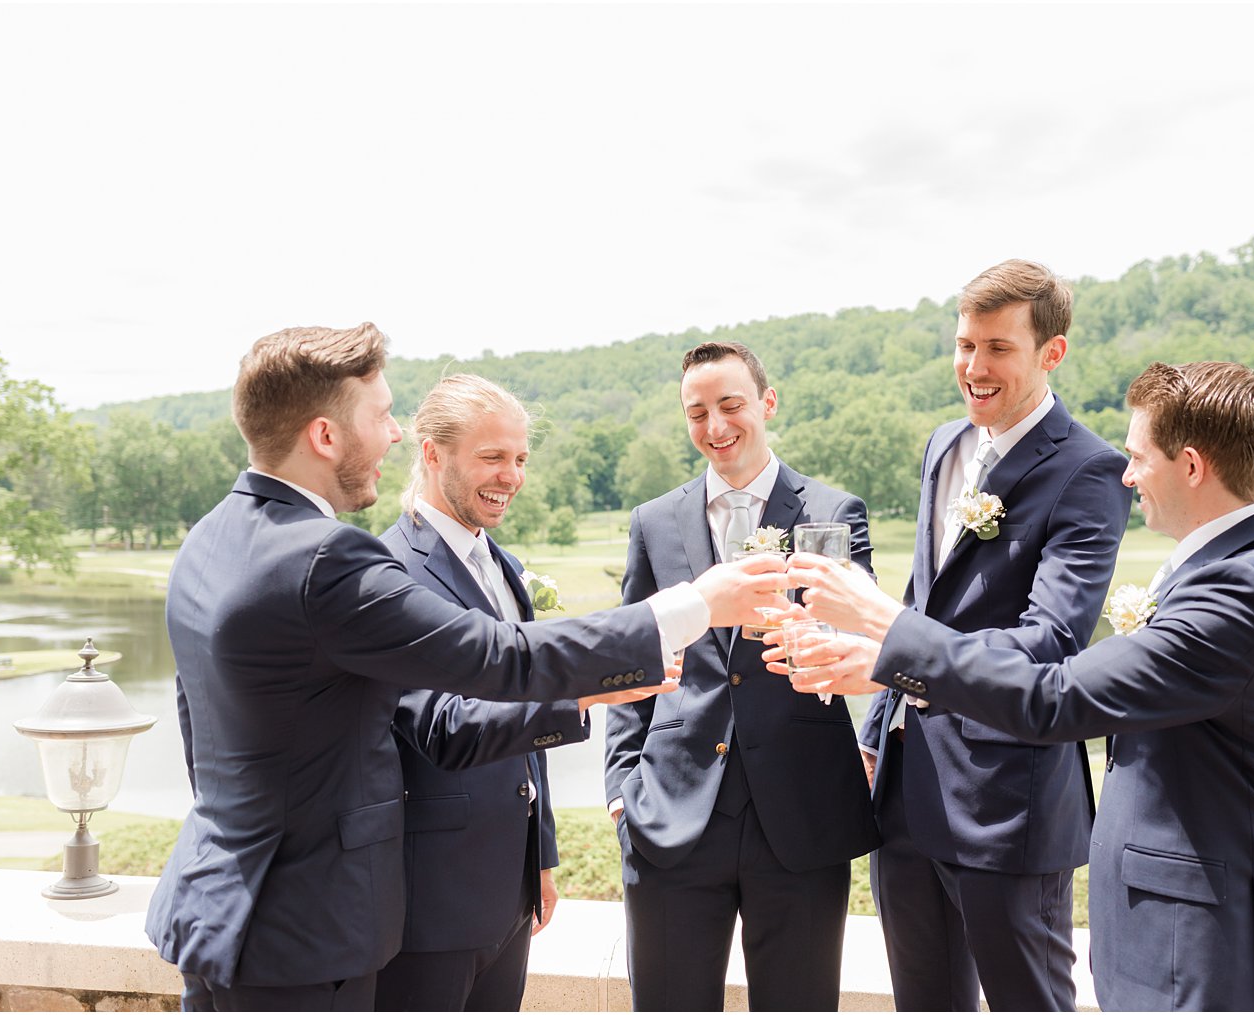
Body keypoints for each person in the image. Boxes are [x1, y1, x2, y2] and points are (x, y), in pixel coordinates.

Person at [145, 323, 786, 1012]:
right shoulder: (328, 559)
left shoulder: (208, 539)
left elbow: (197, 731)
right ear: (326, 435)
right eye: (381, 414)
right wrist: (694, 603)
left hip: (215, 909)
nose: (393, 433)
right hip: (305, 932)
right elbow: (497, 657)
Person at [782, 361, 1254, 1011]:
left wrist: (886, 623)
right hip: (1178, 941)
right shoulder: (1236, 571)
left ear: (1191, 465)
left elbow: (1054, 696)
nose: (1128, 475)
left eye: (1138, 456)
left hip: (1206, 951)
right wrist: (889, 662)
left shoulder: (1240, 592)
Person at [855, 260, 1130, 1011]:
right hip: (908, 790)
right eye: (963, 343)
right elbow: (926, 596)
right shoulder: (944, 445)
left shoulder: (1089, 471)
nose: (973, 368)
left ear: (1052, 353)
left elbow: (1049, 643)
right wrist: (878, 725)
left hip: (1009, 802)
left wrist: (890, 652)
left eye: (998, 349)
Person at [603, 341, 880, 1011]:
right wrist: (620, 787)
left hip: (802, 818)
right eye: (697, 412)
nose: (715, 426)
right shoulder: (654, 521)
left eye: (730, 405)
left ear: (767, 402)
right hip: (670, 815)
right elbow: (629, 653)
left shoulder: (833, 512)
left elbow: (871, 639)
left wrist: (866, 730)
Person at [373, 375, 583, 1011]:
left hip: (509, 894)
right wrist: (587, 692)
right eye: (492, 457)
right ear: (431, 452)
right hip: (430, 903)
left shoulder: (507, 566)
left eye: (520, 458)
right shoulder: (390, 573)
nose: (511, 476)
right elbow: (438, 724)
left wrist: (539, 854)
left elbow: (521, 724)